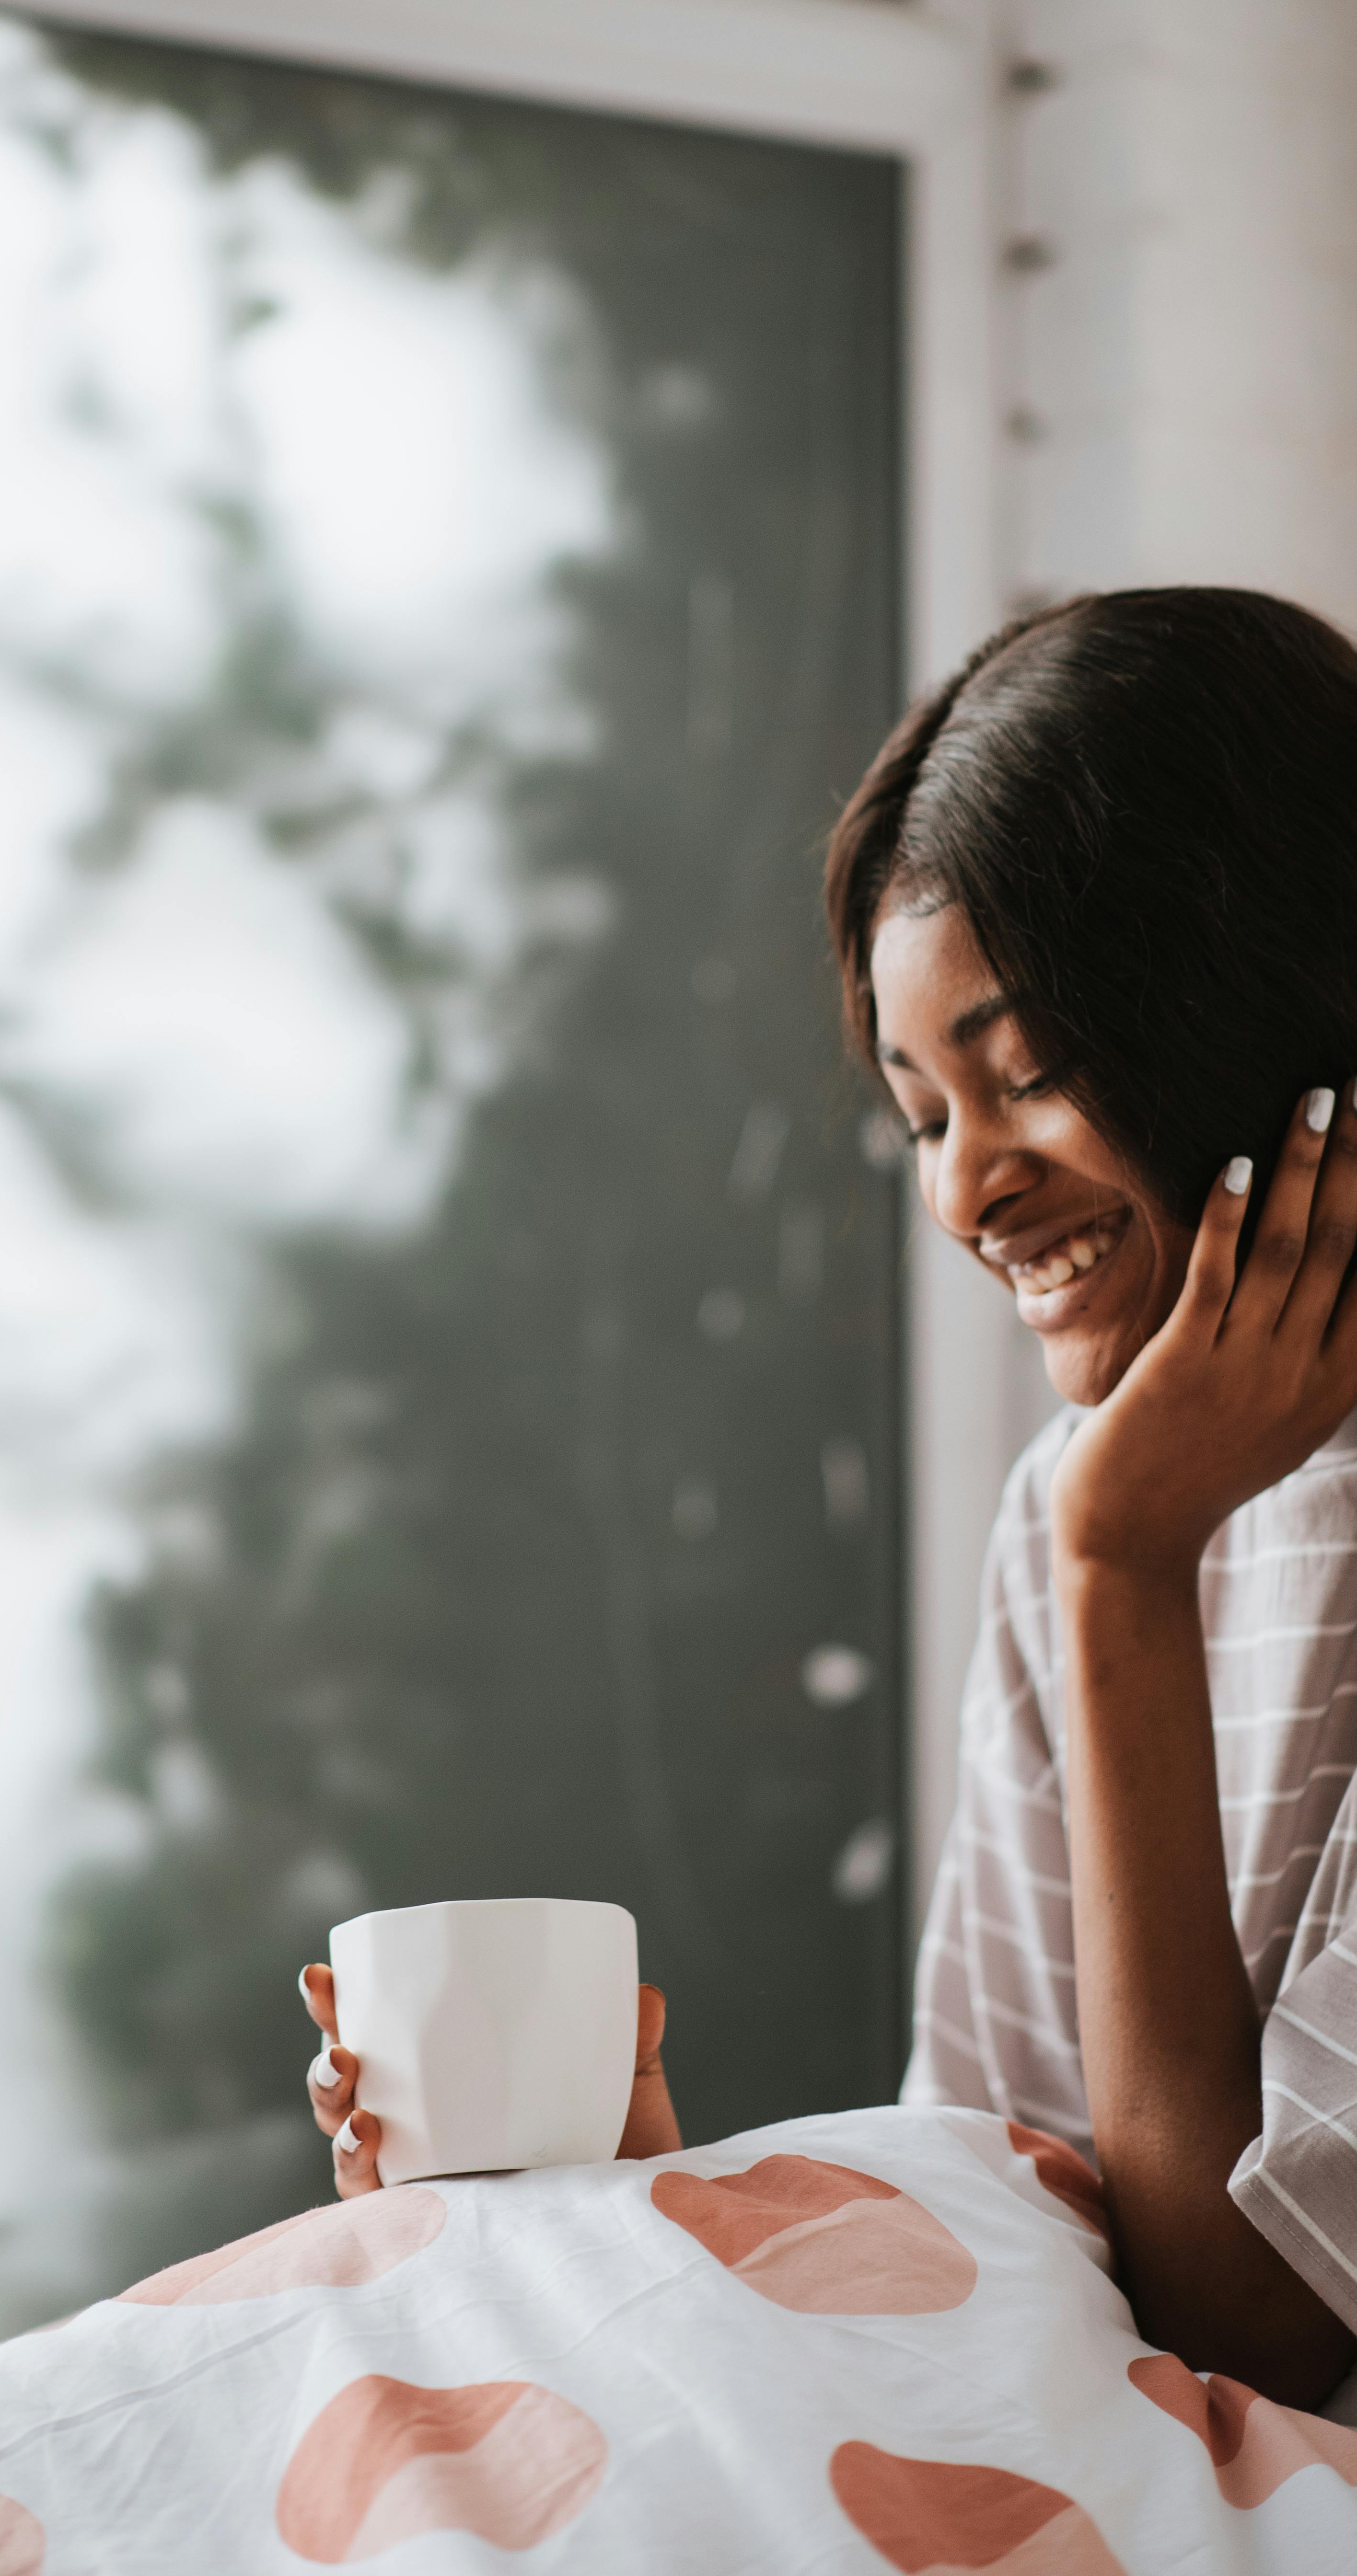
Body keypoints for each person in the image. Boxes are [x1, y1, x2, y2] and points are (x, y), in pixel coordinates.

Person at [301, 586, 1357, 2410]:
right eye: (924, 1115)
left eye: (1029, 1075)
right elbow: (1032, 2202)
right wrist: (627, 2206)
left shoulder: (1102, 1523)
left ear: (1266, 993)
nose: (970, 1198)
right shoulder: (1084, 1506)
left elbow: (1260, 2314)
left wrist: (1124, 1567)